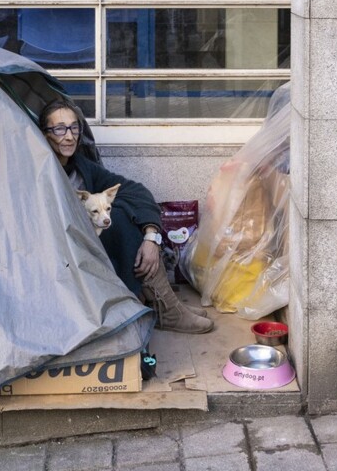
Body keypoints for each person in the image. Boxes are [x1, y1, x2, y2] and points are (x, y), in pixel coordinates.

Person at [39, 100, 213, 334]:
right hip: (61, 254)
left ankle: (166, 305)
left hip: (89, 245)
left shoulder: (82, 167)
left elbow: (134, 191)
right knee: (119, 221)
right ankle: (166, 308)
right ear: (45, 134)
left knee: (120, 211)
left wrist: (152, 236)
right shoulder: (41, 170)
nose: (69, 136)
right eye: (59, 129)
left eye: (74, 127)